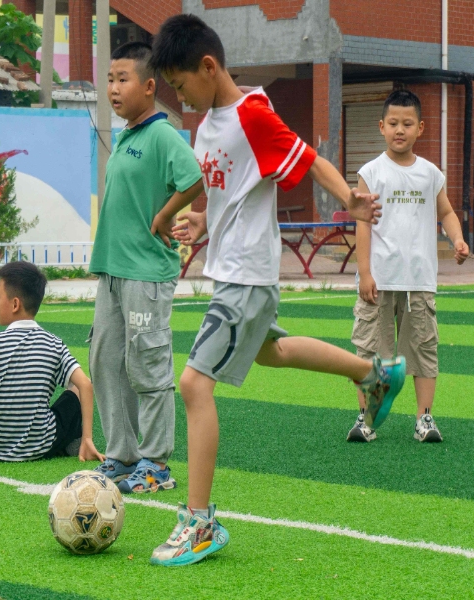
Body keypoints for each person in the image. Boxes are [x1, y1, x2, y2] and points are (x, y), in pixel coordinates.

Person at [147, 14, 407, 567]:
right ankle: (374, 373)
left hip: (246, 277)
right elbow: (232, 195)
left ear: (209, 67)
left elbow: (310, 159)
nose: (178, 94)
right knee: (274, 351)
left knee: (194, 386)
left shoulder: (252, 115)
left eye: (180, 82)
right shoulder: (210, 125)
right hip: (235, 270)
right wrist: (201, 221)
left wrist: (350, 201)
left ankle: (199, 522)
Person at [87, 42, 204, 494]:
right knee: (105, 361)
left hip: (146, 274)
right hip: (112, 271)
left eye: (122, 80)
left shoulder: (162, 135)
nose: (113, 89)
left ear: (150, 86)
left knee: (147, 364)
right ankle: (121, 455)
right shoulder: (127, 136)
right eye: (109, 80)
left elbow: (193, 178)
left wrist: (163, 216)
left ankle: (155, 463)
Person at [346, 90, 469, 445]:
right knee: (370, 349)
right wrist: (365, 272)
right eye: (394, 123)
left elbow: (445, 212)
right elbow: (363, 224)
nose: (400, 130)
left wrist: (456, 239)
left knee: (422, 348)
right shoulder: (370, 172)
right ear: (382, 127)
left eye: (408, 123)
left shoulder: (430, 174)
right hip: (379, 280)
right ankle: (367, 418)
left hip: (419, 280)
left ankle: (424, 419)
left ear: (421, 128)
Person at [0, 261, 104, 466]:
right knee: (76, 387)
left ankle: (72, 442)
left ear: (14, 304)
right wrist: (88, 438)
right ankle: (78, 442)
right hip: (42, 447)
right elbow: (86, 386)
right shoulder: (54, 343)